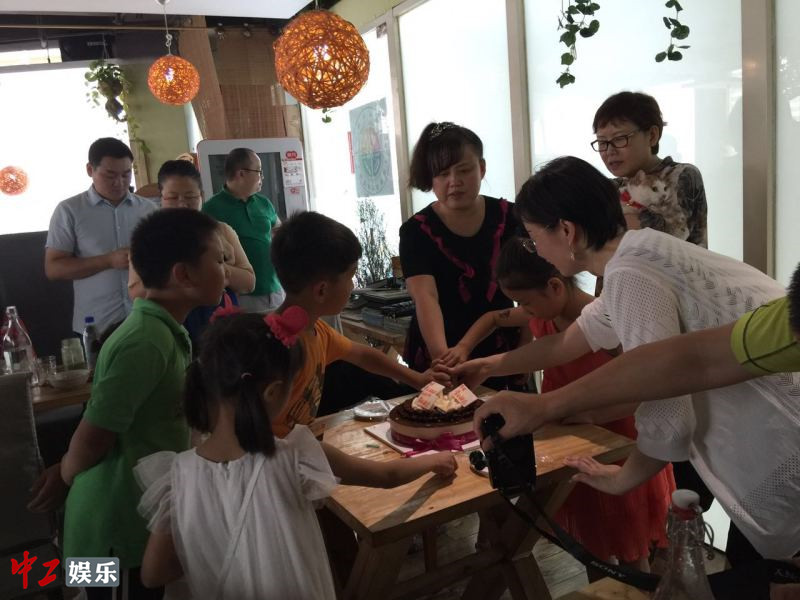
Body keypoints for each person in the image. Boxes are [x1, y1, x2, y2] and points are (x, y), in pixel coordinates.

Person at [453, 156, 799, 562]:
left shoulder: (633, 272)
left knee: (764, 576)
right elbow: (568, 342)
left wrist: (621, 479)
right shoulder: (640, 254)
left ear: (566, 231)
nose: (536, 250)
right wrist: (489, 366)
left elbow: (668, 410)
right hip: (780, 440)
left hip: (782, 445)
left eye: (533, 237)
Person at [135, 310, 456, 599]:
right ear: (273, 392)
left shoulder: (178, 476)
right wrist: (433, 460)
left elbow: (153, 573)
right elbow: (386, 477)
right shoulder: (295, 454)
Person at [29, 208, 227, 599]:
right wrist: (65, 476)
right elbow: (94, 436)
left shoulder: (163, 331)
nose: (226, 271)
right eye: (219, 260)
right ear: (183, 274)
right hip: (114, 529)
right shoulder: (145, 340)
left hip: (136, 518)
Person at [457, 238, 673, 570]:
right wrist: (468, 352)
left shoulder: (605, 320)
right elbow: (495, 318)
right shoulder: (543, 311)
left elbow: (642, 391)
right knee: (593, 547)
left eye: (526, 303)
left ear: (555, 287)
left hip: (618, 441)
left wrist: (590, 413)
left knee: (630, 548)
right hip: (571, 437)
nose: (524, 310)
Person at [269, 211, 436, 437]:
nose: (353, 285)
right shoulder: (273, 348)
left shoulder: (317, 331)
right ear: (322, 290)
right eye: (350, 276)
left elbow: (363, 356)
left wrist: (418, 379)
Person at [399, 122, 521, 385]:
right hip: (440, 349)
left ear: (482, 168)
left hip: (502, 349)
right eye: (442, 174)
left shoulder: (511, 218)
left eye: (464, 170)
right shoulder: (416, 231)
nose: (454, 182)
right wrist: (443, 362)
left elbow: (531, 291)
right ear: (431, 178)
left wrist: (525, 351)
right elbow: (426, 297)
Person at [129, 160, 255, 345]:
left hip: (219, 324)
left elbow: (249, 282)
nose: (182, 205)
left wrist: (217, 268)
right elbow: (136, 292)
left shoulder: (220, 231)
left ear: (201, 196)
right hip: (169, 324)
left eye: (190, 197)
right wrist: (185, 278)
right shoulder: (150, 235)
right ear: (161, 198)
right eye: (173, 197)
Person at [45, 137, 156, 334]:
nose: (119, 182)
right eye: (110, 175)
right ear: (90, 170)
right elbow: (53, 268)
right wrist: (108, 261)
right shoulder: (70, 210)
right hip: (96, 325)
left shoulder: (148, 209)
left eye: (126, 174)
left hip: (145, 320)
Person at [592, 91, 707, 246]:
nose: (609, 151)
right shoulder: (612, 188)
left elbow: (665, 240)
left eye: (619, 139)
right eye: (602, 142)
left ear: (652, 136)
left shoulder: (681, 174)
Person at [202, 148, 284, 313]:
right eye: (259, 171)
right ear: (241, 174)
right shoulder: (212, 209)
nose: (262, 177)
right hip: (240, 294)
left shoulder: (264, 203)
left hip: (275, 287)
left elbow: (279, 231)